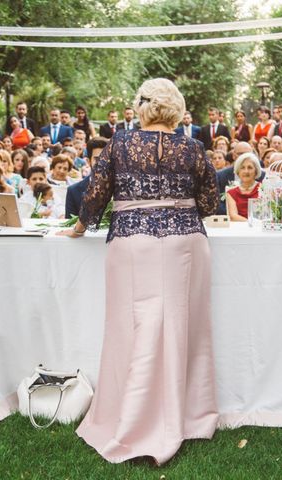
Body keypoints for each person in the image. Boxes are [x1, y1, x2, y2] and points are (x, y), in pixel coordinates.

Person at [58, 78, 219, 465]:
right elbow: (210, 201)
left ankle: (128, 415)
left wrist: (79, 228)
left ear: (143, 108)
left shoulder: (119, 143)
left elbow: (94, 195)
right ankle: (187, 414)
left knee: (131, 329)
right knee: (183, 327)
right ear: (175, 110)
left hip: (133, 243)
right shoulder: (194, 147)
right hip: (184, 242)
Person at [65, 137, 108, 218]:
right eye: (97, 159)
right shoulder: (73, 191)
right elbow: (69, 225)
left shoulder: (121, 189)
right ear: (88, 161)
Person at [226, 152, 261, 221]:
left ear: (256, 171)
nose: (246, 171)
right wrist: (250, 224)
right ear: (238, 171)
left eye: (250, 168)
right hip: (239, 228)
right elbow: (233, 216)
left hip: (260, 228)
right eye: (242, 168)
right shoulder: (231, 193)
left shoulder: (263, 189)